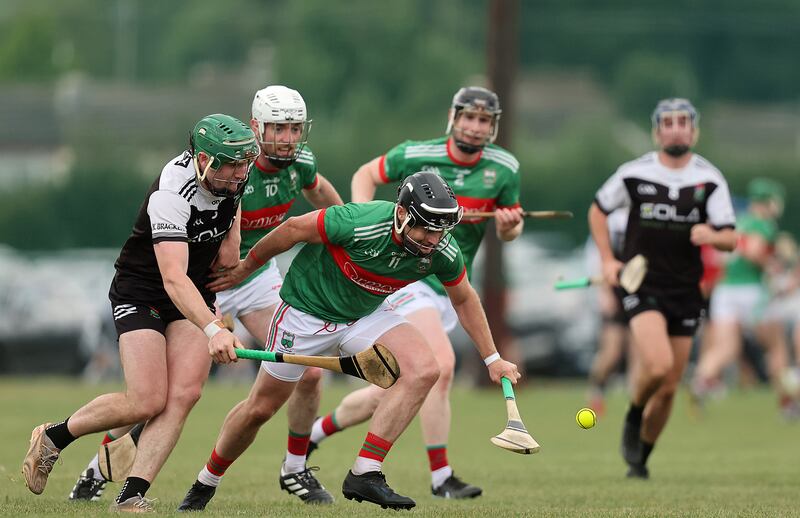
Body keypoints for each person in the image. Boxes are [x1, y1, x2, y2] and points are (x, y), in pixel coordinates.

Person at [177, 171, 520, 511]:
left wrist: (493, 359)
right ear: (402, 214)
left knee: (425, 370)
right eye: (426, 228)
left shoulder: (441, 249)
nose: (433, 239)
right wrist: (245, 268)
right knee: (260, 409)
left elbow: (464, 299)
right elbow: (294, 228)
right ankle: (207, 480)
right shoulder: (360, 221)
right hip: (305, 314)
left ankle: (366, 472)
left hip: (364, 314)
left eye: (440, 229)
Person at [68, 86, 345, 505]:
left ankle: (295, 468)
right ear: (256, 127)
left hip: (252, 280)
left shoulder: (300, 163)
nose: (288, 137)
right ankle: (97, 468)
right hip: (203, 283)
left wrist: (346, 225)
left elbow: (320, 190)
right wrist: (213, 309)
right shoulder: (228, 164)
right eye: (278, 128)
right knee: (156, 398)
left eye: (294, 128)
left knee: (308, 371)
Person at [22, 114, 259, 511]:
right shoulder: (172, 192)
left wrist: (233, 227)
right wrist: (214, 328)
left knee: (184, 394)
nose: (239, 175)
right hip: (145, 290)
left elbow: (228, 256)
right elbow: (172, 278)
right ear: (204, 160)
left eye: (243, 166)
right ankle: (53, 437)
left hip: (193, 289)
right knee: (147, 400)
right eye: (231, 166)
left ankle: (130, 496)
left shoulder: (233, 181)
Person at [307, 86, 523, 499]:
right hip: (405, 279)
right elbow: (366, 175)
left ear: (493, 127)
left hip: (448, 284)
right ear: (453, 117)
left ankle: (316, 432)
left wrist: (510, 226)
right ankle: (442, 477)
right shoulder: (417, 153)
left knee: (398, 387)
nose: (475, 128)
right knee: (439, 366)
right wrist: (362, 220)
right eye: (469, 118)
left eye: (484, 121)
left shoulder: (506, 168)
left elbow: (508, 230)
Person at [589, 98, 737, 480]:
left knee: (670, 388)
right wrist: (608, 259)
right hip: (643, 284)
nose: (675, 128)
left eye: (683, 122)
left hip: (686, 290)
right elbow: (598, 210)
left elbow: (731, 238)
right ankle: (634, 412)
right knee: (657, 364)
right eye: (668, 123)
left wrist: (712, 236)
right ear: (657, 131)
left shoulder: (709, 179)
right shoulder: (634, 173)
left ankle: (640, 459)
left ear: (694, 131)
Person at [692, 179, 789, 413]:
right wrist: (772, 265)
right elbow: (754, 252)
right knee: (776, 347)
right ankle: (788, 402)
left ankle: (700, 381)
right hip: (752, 291)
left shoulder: (738, 222)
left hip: (725, 290)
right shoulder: (763, 224)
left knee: (727, 348)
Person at [585, 207, 630, 417]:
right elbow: (597, 258)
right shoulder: (611, 220)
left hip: (641, 292)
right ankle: (596, 390)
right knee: (611, 352)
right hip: (614, 291)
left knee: (639, 353)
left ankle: (636, 405)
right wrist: (605, 293)